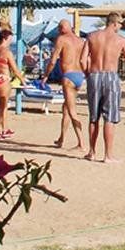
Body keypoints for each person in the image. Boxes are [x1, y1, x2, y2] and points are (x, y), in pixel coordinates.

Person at [81, 13, 125, 163]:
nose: (120, 27)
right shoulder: (120, 40)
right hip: (111, 77)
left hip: (94, 75)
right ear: (114, 23)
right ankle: (108, 155)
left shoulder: (92, 36)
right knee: (109, 118)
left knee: (94, 117)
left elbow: (82, 60)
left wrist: (88, 74)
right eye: (120, 24)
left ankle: (92, 152)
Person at [41, 19, 86, 151]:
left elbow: (53, 60)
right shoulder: (81, 41)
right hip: (79, 76)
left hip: (68, 77)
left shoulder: (61, 39)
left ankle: (81, 143)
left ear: (61, 28)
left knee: (72, 112)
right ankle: (61, 139)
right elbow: (85, 60)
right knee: (66, 108)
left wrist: (46, 76)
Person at [0, 29, 28, 140]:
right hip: (3, 80)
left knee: (0, 106)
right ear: (5, 37)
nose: (11, 40)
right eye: (10, 38)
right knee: (4, 106)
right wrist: (23, 81)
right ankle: (4, 130)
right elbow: (15, 69)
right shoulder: (6, 52)